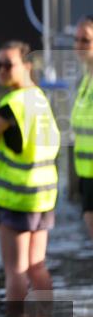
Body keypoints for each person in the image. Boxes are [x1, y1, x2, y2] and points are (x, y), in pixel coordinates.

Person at [0, 41, 59, 302]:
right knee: (37, 266)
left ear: (27, 66)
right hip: (43, 194)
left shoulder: (13, 103)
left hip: (17, 196)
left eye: (8, 65)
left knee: (15, 271)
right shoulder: (40, 98)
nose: (1, 70)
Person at [70, 15, 93, 239]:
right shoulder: (86, 80)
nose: (78, 45)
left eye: (85, 40)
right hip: (87, 175)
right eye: (76, 40)